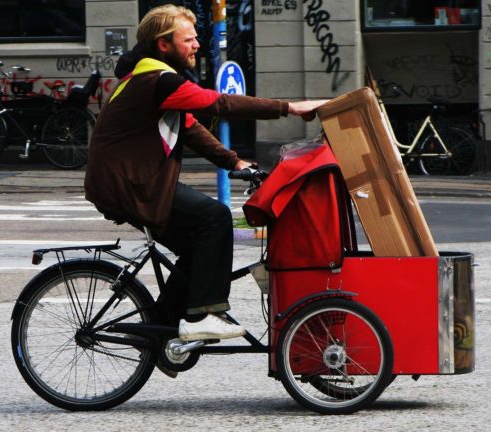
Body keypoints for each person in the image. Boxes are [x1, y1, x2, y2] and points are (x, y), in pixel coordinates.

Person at [84, 5, 327, 344]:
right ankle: (203, 315)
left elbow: (190, 128)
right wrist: (289, 107)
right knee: (215, 218)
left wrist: (234, 163)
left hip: (128, 182)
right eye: (189, 39)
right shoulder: (158, 80)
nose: (197, 44)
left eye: (196, 37)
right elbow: (218, 103)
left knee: (198, 248)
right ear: (164, 45)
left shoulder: (150, 77)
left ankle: (164, 335)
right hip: (129, 185)